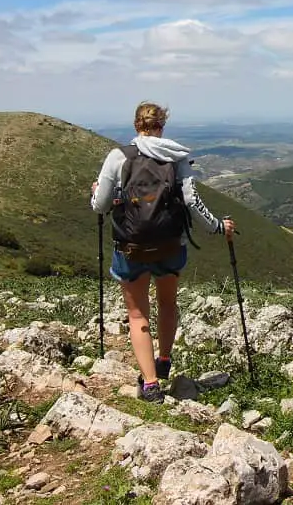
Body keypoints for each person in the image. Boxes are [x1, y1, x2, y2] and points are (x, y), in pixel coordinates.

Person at [89, 101, 235, 403]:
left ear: (135, 126)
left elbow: (101, 206)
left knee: (137, 313)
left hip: (132, 248)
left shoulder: (118, 157)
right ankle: (164, 360)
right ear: (161, 126)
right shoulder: (176, 157)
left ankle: (152, 385)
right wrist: (219, 227)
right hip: (171, 246)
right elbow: (193, 202)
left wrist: (95, 193)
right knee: (167, 304)